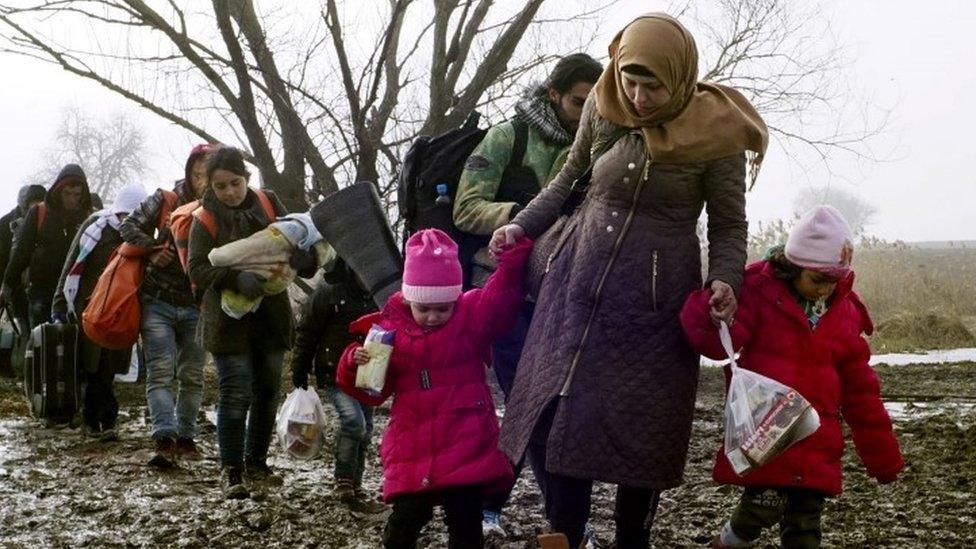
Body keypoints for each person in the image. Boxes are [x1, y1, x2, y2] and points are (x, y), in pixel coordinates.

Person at [489, 13, 768, 548]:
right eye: (630, 82)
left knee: (644, 427)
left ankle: (631, 539)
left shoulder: (718, 133)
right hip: (577, 286)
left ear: (680, 76)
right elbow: (568, 179)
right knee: (563, 412)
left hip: (656, 303)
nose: (638, 97)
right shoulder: (603, 101)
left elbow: (729, 224)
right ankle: (564, 535)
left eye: (652, 86)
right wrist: (519, 226)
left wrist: (725, 279)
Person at [680, 206, 904, 548]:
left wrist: (883, 458)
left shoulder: (845, 314)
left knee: (805, 529)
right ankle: (725, 543)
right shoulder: (757, 291)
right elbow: (713, 342)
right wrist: (709, 310)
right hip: (768, 438)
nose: (826, 290)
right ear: (794, 266)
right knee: (757, 511)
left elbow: (862, 395)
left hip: (817, 444)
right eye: (818, 280)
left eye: (834, 281)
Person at [452, 52, 603, 538]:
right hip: (505, 291)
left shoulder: (603, 146)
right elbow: (466, 209)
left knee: (553, 407)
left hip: (569, 292)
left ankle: (507, 508)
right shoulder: (506, 138)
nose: (588, 111)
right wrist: (531, 215)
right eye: (580, 102)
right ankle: (561, 524)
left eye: (595, 103)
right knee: (532, 404)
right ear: (554, 96)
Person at [335, 229, 531, 549]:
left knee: (465, 520)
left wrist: (510, 263)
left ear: (455, 299)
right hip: (413, 442)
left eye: (443, 308)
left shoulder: (471, 318)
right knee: (405, 521)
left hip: (464, 438)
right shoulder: (387, 330)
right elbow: (373, 391)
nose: (433, 316)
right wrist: (353, 364)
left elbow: (500, 300)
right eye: (423, 308)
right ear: (408, 298)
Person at [186, 145, 308, 499]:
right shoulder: (203, 219)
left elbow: (295, 236)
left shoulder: (268, 203)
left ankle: (257, 462)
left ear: (247, 178)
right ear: (209, 185)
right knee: (235, 390)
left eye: (235, 183)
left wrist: (303, 257)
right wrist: (233, 279)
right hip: (227, 320)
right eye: (220, 186)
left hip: (270, 314)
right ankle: (232, 469)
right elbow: (196, 267)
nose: (229, 192)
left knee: (268, 389)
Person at [120, 144, 211, 467]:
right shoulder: (166, 199)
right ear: (189, 172)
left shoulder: (220, 209)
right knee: (160, 371)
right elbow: (127, 226)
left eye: (207, 174)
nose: (202, 180)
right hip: (157, 300)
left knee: (192, 375)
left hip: (197, 306)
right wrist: (153, 248)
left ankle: (185, 438)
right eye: (197, 173)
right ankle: (164, 436)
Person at [51, 183, 149, 440]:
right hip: (89, 308)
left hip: (120, 311)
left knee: (107, 368)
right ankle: (98, 421)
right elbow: (72, 264)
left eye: (131, 216)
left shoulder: (143, 235)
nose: (125, 221)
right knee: (93, 367)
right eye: (122, 215)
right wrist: (59, 304)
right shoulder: (95, 228)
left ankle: (101, 420)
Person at [291, 258, 384, 513]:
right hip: (336, 371)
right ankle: (343, 477)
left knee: (365, 430)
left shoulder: (381, 295)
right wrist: (300, 367)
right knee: (354, 422)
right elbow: (308, 330)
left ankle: (355, 481)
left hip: (369, 375)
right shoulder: (330, 292)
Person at [1, 165, 93, 330]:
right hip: (41, 295)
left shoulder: (89, 218)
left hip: (76, 296)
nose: (72, 199)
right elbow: (22, 253)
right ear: (58, 191)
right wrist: (6, 287)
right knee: (42, 346)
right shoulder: (39, 212)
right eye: (67, 193)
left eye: (77, 195)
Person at [0, 184, 46, 366]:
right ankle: (23, 366)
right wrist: (7, 285)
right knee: (23, 328)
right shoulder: (6, 226)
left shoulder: (47, 222)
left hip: (38, 287)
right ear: (24, 205)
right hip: (17, 288)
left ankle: (28, 366)